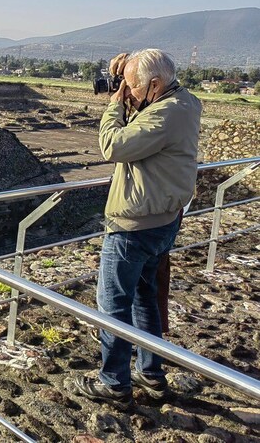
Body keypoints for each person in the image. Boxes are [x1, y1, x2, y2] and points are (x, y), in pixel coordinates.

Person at [72, 49, 202, 409]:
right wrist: (129, 84)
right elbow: (143, 134)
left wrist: (115, 104)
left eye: (131, 87)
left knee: (112, 304)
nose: (125, 92)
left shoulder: (165, 114)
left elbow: (113, 145)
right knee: (145, 297)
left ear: (155, 85)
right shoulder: (185, 102)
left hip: (135, 227)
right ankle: (151, 371)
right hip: (164, 219)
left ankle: (114, 382)